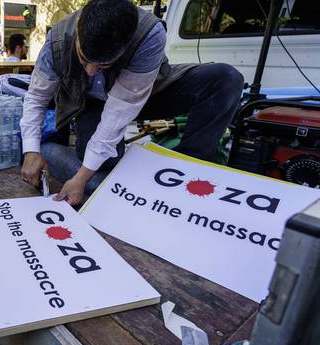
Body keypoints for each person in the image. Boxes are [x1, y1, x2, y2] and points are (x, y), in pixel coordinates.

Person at [20, 0, 244, 205]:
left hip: (149, 91)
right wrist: (31, 151)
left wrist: (81, 178)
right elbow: (37, 98)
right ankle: (59, 157)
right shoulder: (57, 41)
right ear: (79, 29)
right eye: (84, 59)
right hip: (93, 103)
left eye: (103, 65)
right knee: (103, 162)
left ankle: (185, 173)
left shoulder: (149, 34)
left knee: (225, 79)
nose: (90, 71)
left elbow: (117, 114)